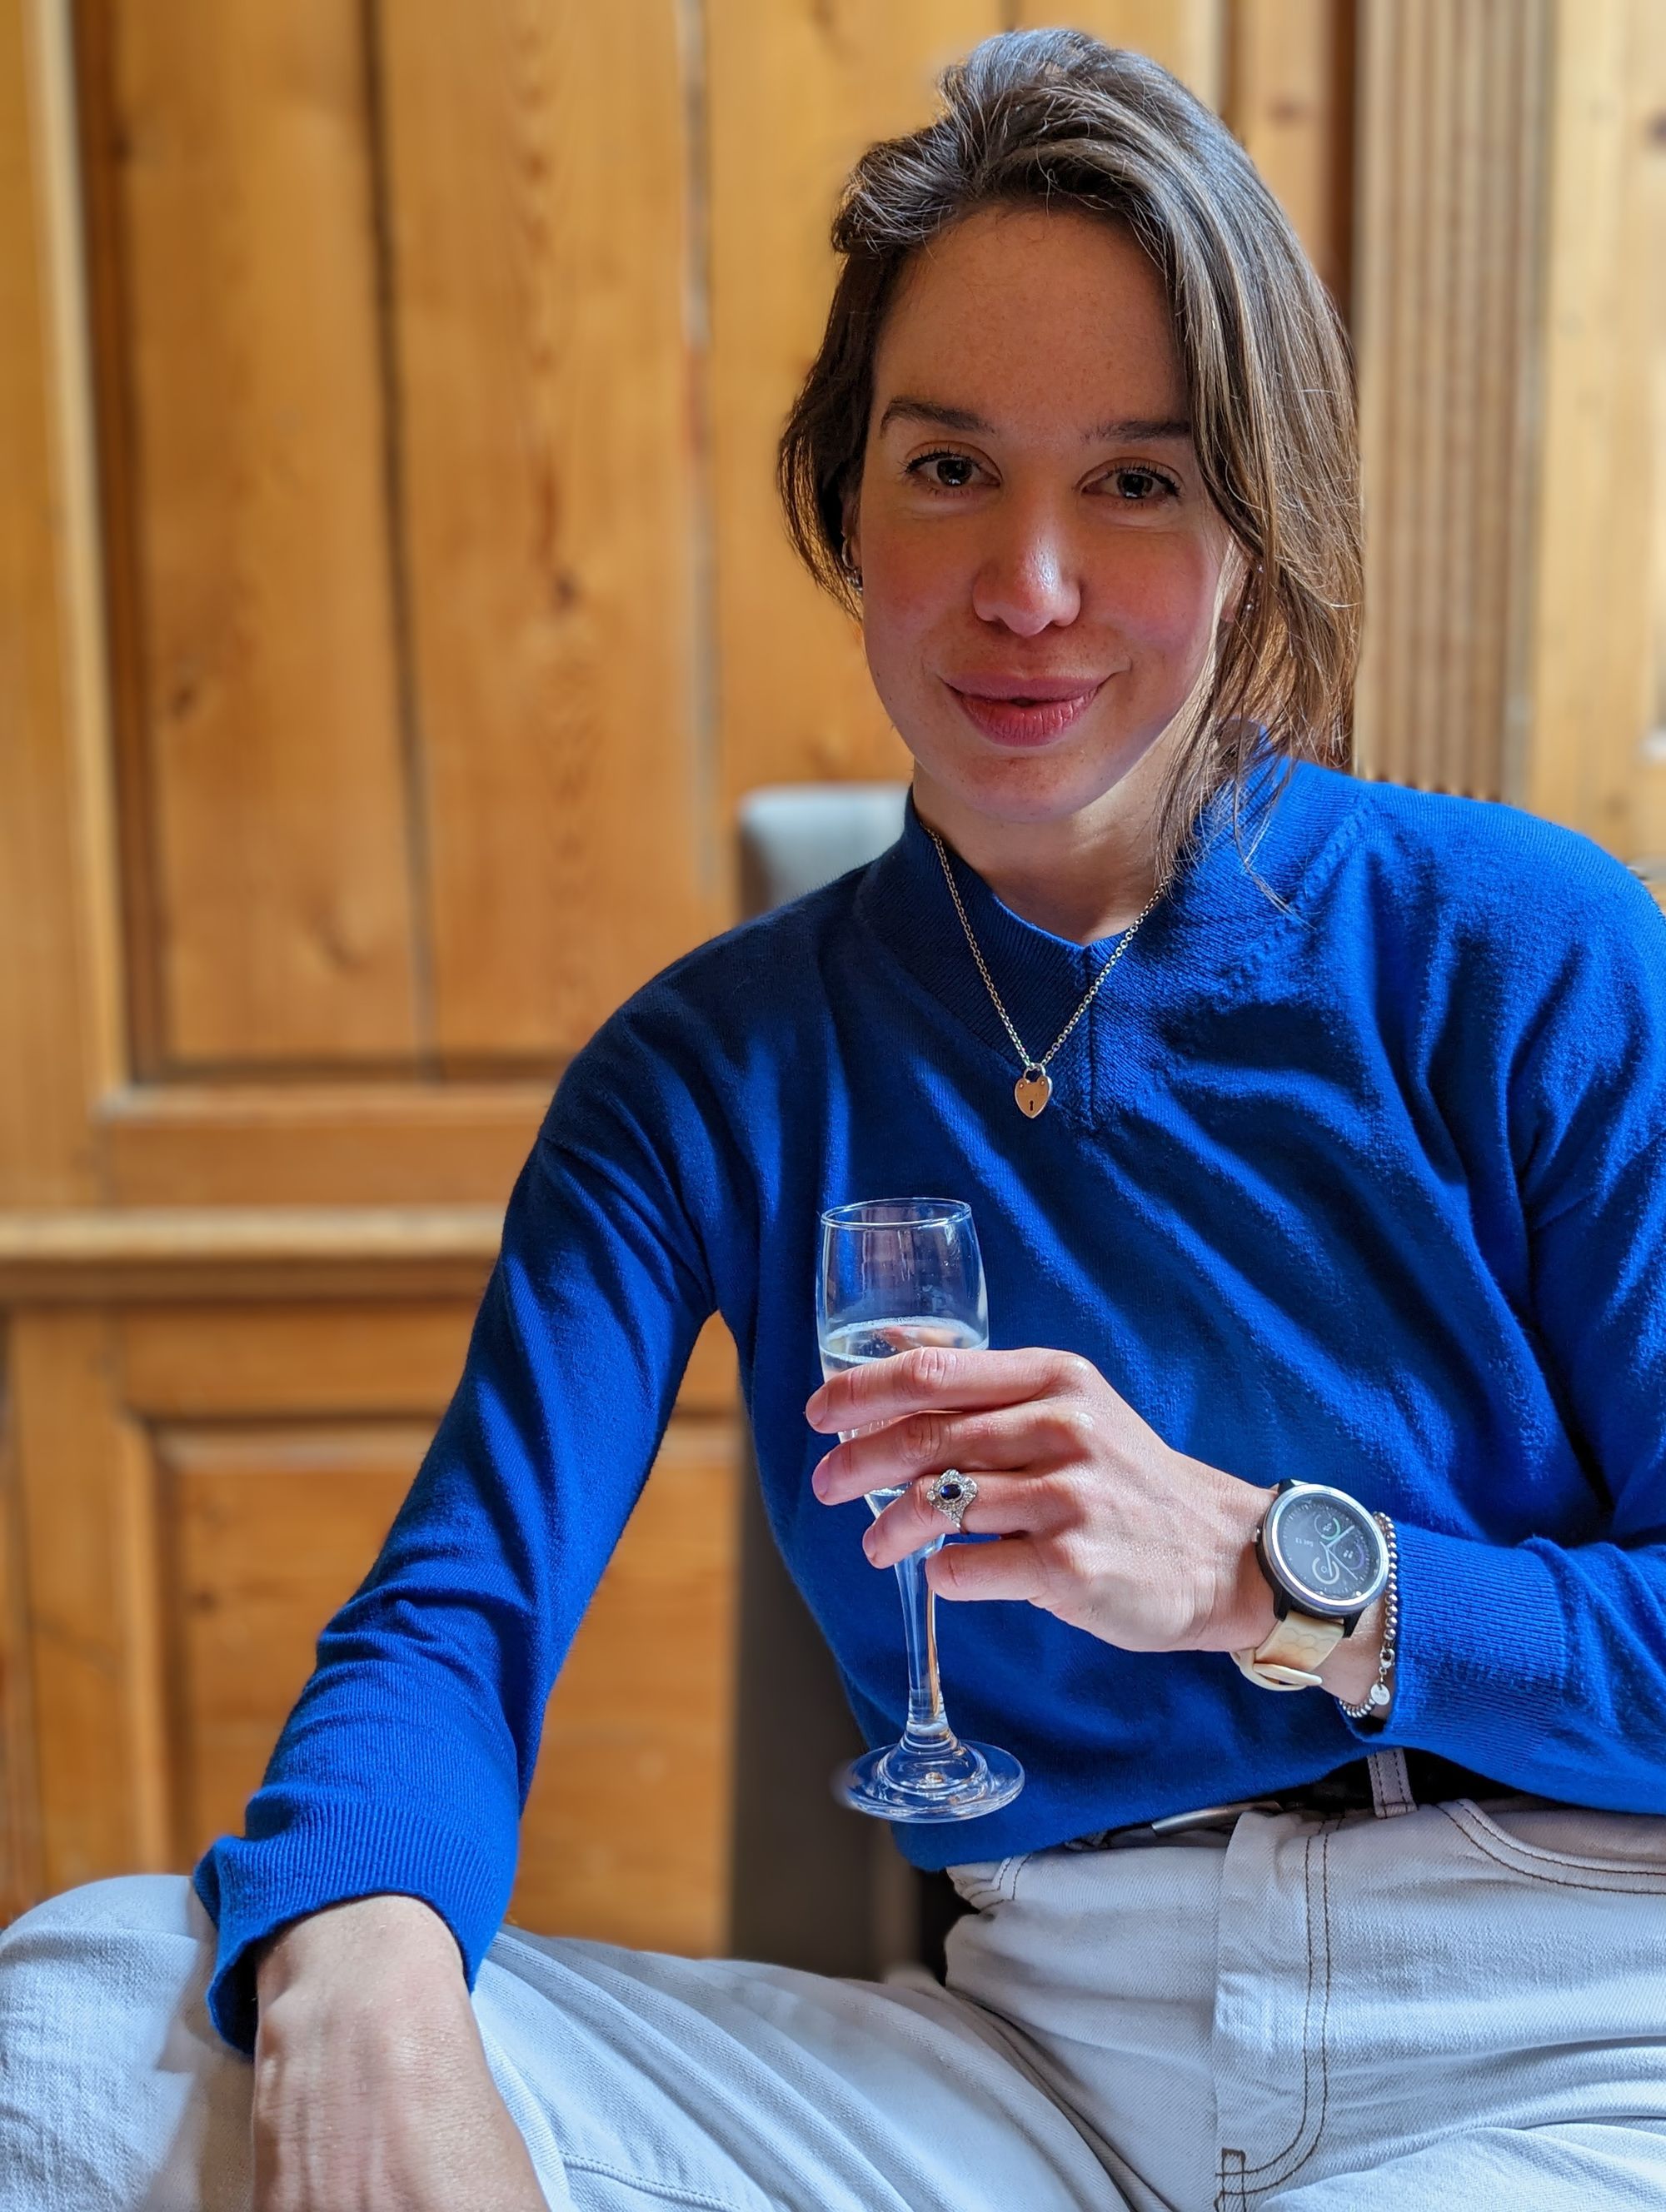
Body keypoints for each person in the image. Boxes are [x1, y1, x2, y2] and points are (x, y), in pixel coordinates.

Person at [5, 27, 1666, 2210]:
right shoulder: (706, 1076)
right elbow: (451, 1621)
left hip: (1553, 2026)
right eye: (949, 467)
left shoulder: (1527, 952)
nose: (1032, 584)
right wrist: (365, 1985)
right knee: (86, 2021)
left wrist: (1269, 1571)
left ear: (1257, 529)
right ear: (841, 498)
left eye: (1141, 482)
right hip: (1048, 2063)